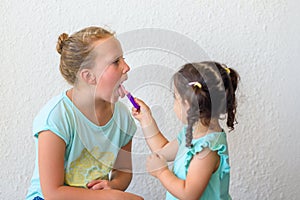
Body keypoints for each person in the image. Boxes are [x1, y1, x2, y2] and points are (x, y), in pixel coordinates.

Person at [26, 26, 143, 200]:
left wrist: (113, 186)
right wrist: (111, 197)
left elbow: (123, 173)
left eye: (123, 59)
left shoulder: (123, 117)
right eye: (116, 62)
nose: (126, 67)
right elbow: (52, 192)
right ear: (88, 76)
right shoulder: (57, 117)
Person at [132, 62, 239, 200]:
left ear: (189, 104)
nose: (174, 104)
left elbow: (189, 194)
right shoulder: (191, 134)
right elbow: (162, 150)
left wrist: (161, 172)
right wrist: (146, 119)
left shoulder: (207, 149)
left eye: (175, 97)